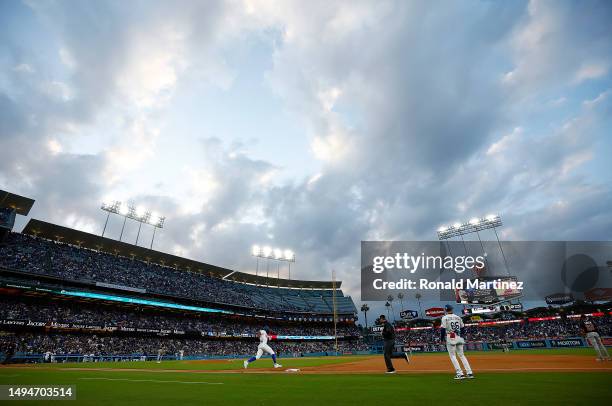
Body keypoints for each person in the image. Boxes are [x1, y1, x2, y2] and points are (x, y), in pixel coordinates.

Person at [440, 304, 473, 380]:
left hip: (450, 335)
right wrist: (461, 336)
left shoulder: (445, 317)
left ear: (445, 310)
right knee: (462, 355)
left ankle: (460, 373)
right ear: (452, 309)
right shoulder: (458, 317)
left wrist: (442, 339)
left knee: (453, 356)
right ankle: (469, 373)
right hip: (458, 336)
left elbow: (442, 329)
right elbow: (463, 328)